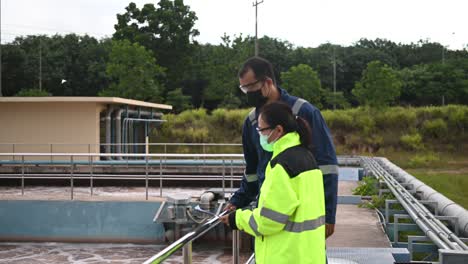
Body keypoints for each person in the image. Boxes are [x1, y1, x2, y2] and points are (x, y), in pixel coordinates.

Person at [225, 56, 339, 238]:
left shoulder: (304, 112)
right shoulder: (251, 122)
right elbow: (253, 170)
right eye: (243, 89)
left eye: (250, 88)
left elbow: (327, 166)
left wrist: (329, 215)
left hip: (304, 214)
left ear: (268, 82)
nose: (247, 94)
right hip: (269, 212)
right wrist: (238, 201)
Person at [221, 102, 326, 264]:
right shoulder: (307, 157)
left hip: (286, 256)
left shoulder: (281, 166)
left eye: (262, 130)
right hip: (309, 254)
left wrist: (237, 219)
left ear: (278, 130)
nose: (260, 135)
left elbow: (267, 221)